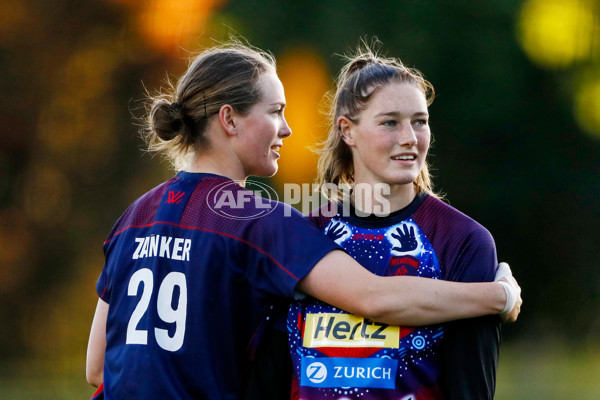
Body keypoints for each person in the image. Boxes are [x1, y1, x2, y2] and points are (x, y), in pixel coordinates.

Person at [85, 41, 521, 400]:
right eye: (275, 111)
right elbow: (373, 297)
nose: (288, 128)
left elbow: (96, 366)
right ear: (229, 119)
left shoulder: (134, 215)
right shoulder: (260, 220)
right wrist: (498, 296)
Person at [285, 41, 513, 399]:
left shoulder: (461, 239)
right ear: (347, 131)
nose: (410, 139)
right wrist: (500, 297)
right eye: (390, 122)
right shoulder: (303, 233)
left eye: (419, 122)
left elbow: (472, 387)